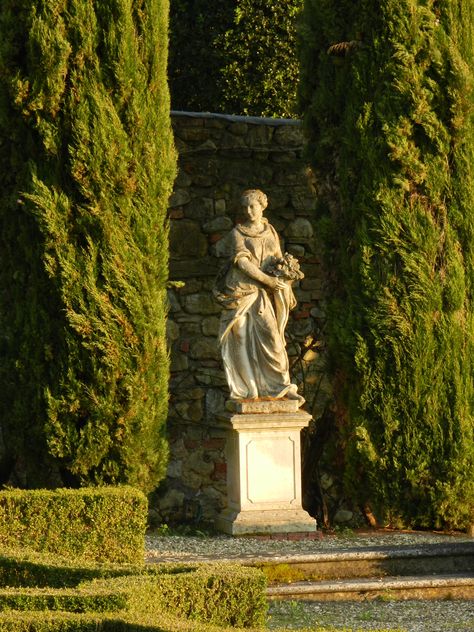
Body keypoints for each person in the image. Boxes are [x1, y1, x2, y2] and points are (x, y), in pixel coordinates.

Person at [214, 189, 304, 403]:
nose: (249, 210)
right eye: (245, 206)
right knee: (241, 338)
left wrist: (285, 276)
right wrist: (269, 280)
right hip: (240, 291)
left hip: (263, 294)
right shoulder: (238, 233)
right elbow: (243, 263)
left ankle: (281, 386)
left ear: (263, 206)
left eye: (252, 206)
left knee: (273, 338)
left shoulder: (270, 230)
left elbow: (278, 258)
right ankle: (248, 391)